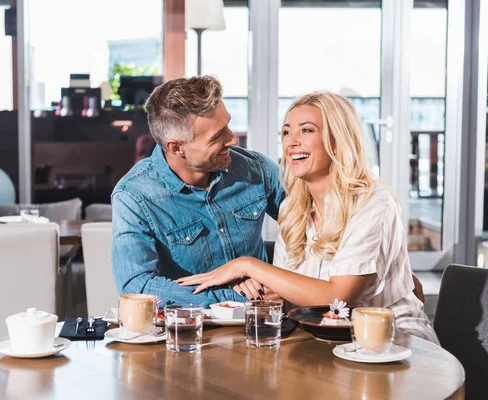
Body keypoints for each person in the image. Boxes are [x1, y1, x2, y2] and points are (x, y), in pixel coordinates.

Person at [177, 91, 438, 343]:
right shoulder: (294, 208)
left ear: (337, 140)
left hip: (392, 337)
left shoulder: (372, 203)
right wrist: (271, 293)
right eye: (287, 132)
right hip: (324, 336)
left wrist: (247, 265)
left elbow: (338, 299)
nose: (291, 141)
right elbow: (292, 297)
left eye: (307, 130)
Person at [111, 76, 285, 306]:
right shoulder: (134, 196)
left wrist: (277, 280)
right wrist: (232, 297)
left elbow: (312, 228)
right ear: (176, 147)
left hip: (261, 322)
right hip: (189, 332)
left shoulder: (257, 169)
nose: (233, 139)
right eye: (217, 136)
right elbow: (137, 286)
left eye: (228, 125)